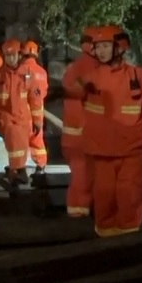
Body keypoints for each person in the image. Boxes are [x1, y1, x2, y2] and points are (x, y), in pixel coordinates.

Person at [77, 25, 142, 237]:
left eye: (106, 46)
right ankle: (106, 239)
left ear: (120, 47)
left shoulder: (139, 77)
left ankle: (129, 239)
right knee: (103, 196)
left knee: (129, 196)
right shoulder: (88, 78)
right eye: (98, 46)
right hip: (100, 152)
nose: (100, 51)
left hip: (131, 151)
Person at [60, 27, 101, 217]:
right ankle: (80, 217)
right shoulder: (98, 70)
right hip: (87, 138)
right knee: (85, 178)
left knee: (82, 176)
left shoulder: (74, 69)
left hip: (73, 138)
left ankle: (80, 214)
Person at [0, 39, 39, 185]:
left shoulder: (27, 74)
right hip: (5, 118)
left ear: (19, 55)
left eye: (13, 55)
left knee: (21, 146)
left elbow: (35, 99)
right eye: (8, 55)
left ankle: (17, 170)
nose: (11, 58)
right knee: (15, 145)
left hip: (22, 118)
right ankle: (17, 170)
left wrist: (37, 121)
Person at [21, 40, 50, 174]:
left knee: (19, 139)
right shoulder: (42, 72)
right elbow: (43, 91)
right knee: (37, 138)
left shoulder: (21, 70)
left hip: (22, 110)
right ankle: (41, 164)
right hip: (38, 110)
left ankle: (18, 167)